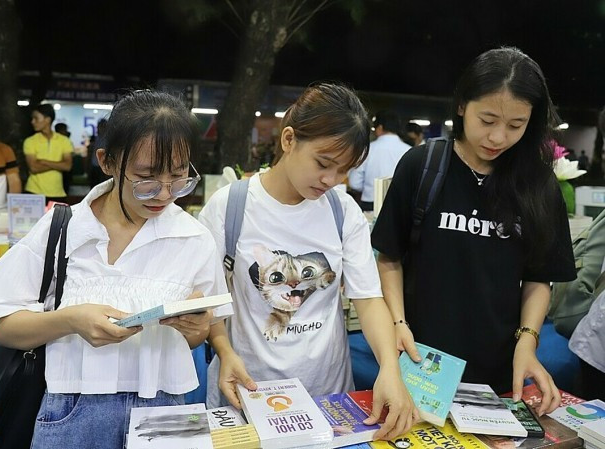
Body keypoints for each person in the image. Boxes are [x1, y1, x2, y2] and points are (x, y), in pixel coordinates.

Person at [0, 90, 231, 448]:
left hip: (167, 411)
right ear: (107, 161)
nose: (163, 194)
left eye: (179, 178)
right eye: (146, 178)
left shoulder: (194, 239)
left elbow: (193, 338)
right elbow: (2, 329)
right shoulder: (62, 230)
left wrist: (197, 327)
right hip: (70, 412)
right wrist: (70, 320)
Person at [199, 83, 417, 440]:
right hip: (247, 393)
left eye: (343, 170)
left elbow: (367, 298)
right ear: (288, 140)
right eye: (323, 164)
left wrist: (389, 369)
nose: (330, 180)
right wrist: (223, 351)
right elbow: (210, 301)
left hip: (328, 398)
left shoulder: (342, 211)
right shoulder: (229, 207)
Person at [372, 47, 576, 416]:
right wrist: (398, 324)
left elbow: (539, 277)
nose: (498, 137)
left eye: (516, 125)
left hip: (497, 374)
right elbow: (389, 256)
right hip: (419, 363)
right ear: (463, 105)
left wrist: (527, 343)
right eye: (488, 119)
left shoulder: (539, 186)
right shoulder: (422, 167)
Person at [348, 111, 411, 211]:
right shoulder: (409, 151)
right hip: (399, 206)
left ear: (380, 128)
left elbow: (354, 182)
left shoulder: (367, 150)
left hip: (370, 205)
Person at [24, 104, 74, 201]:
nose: (32, 122)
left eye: (36, 118)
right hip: (33, 192)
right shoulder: (30, 141)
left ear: (47, 120)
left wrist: (43, 161)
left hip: (58, 193)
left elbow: (67, 166)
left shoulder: (64, 140)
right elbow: (33, 168)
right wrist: (58, 164)